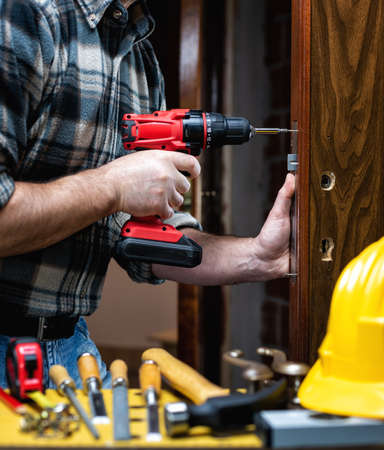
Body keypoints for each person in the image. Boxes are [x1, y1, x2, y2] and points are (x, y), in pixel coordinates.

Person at [0, 0, 295, 389]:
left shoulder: (140, 57)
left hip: (69, 346)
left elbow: (146, 239)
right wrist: (113, 186)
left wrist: (259, 256)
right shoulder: (22, 15)